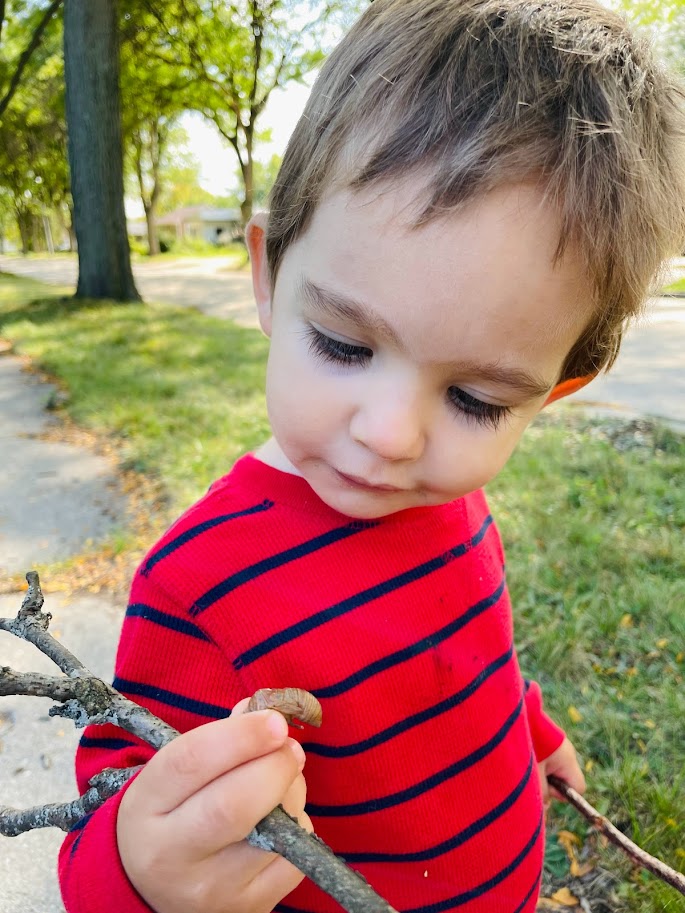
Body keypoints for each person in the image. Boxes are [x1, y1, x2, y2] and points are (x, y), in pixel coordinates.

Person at [59, 1, 685, 911]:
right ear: (270, 277)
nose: (392, 435)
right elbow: (109, 809)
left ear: (550, 395)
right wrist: (141, 872)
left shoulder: (452, 503)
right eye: (346, 346)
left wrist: (536, 731)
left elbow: (479, 655)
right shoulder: (200, 583)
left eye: (475, 400)